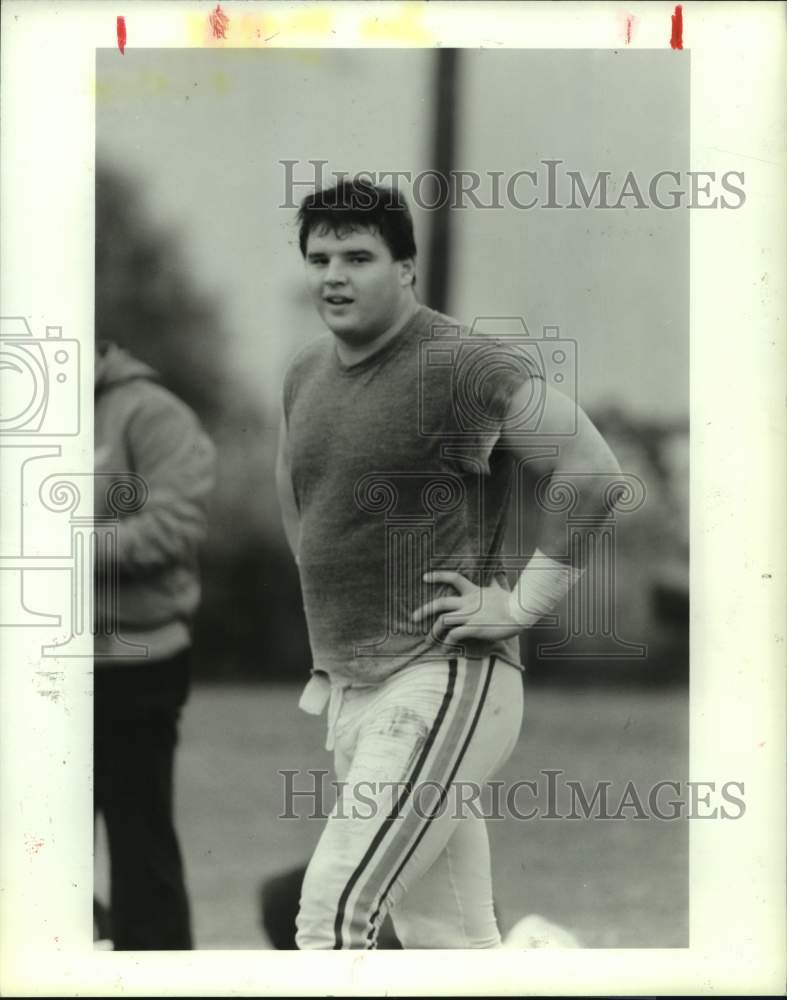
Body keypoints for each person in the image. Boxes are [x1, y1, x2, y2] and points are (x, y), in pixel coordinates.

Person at [276, 179, 621, 949]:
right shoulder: (305, 371)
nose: (333, 273)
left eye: (358, 256)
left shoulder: (460, 365)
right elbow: (301, 498)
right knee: (449, 942)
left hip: (445, 672)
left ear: (405, 268)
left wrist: (520, 604)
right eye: (319, 256)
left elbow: (591, 471)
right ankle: (548, 962)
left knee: (332, 916)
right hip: (354, 691)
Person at [93, 340, 215, 950]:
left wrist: (51, 551)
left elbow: (174, 527)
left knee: (141, 859)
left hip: (135, 666)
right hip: (36, 674)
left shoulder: (152, 413)